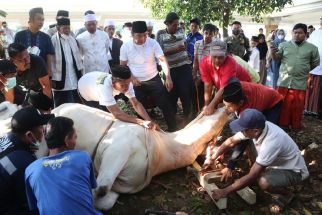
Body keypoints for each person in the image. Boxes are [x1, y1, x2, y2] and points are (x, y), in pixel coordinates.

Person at [209, 109, 309, 208]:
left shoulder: (272, 142)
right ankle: (262, 168)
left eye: (243, 130)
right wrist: (213, 157)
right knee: (247, 142)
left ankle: (287, 194)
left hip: (293, 171)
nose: (241, 132)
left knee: (263, 182)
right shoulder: (258, 127)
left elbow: (252, 175)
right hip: (276, 162)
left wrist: (225, 191)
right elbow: (231, 141)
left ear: (255, 131)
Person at [25, 116, 102, 215]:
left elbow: (35, 204)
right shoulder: (82, 157)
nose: (75, 141)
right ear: (66, 140)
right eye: (75, 137)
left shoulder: (31, 169)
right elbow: (90, 187)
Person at [120, 21, 176, 131]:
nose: (142, 38)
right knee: (140, 107)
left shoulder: (153, 43)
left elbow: (162, 60)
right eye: (139, 36)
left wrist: (168, 77)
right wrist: (132, 78)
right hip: (136, 82)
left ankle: (173, 129)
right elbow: (123, 67)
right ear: (132, 34)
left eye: (145, 35)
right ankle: (145, 132)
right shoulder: (125, 47)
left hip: (153, 79)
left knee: (165, 104)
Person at [0, 107, 54, 214]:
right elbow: (30, 199)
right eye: (41, 129)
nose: (44, 131)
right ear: (29, 135)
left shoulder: (6, 138)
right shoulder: (24, 162)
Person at [78, 65, 159, 129]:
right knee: (100, 121)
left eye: (128, 84)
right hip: (86, 90)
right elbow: (117, 114)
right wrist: (141, 122)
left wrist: (149, 121)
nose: (126, 88)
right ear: (113, 83)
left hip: (93, 79)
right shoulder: (104, 88)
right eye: (122, 85)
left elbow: (136, 104)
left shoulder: (127, 83)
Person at [271, 23, 320, 129]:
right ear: (292, 33)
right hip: (284, 81)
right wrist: (272, 53)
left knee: (297, 106)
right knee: (283, 105)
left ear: (305, 34)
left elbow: (315, 63)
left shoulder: (312, 48)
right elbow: (277, 58)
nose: (297, 35)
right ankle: (282, 124)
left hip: (300, 81)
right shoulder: (284, 45)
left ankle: (295, 125)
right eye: (295, 32)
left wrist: (303, 69)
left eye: (300, 33)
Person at [156, 12, 193, 122]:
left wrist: (184, 50)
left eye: (178, 24)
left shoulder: (181, 30)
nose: (177, 27)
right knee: (171, 94)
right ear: (167, 24)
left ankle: (187, 118)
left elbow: (184, 44)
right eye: (174, 25)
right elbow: (159, 53)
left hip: (184, 67)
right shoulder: (160, 34)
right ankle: (172, 120)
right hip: (170, 70)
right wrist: (175, 50)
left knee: (186, 93)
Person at [199, 40, 251, 116]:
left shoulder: (230, 63)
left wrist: (211, 105)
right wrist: (207, 105)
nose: (217, 60)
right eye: (214, 57)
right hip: (227, 87)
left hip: (243, 84)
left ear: (226, 55)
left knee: (241, 110)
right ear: (210, 54)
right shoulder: (204, 63)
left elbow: (223, 88)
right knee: (218, 107)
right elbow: (207, 85)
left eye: (220, 57)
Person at [51, 17, 84, 107]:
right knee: (60, 105)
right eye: (64, 28)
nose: (67, 30)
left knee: (75, 103)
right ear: (58, 28)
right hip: (60, 78)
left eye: (68, 28)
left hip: (73, 76)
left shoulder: (72, 39)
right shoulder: (53, 40)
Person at [14, 7, 55, 77]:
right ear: (30, 19)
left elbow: (49, 56)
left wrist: (49, 74)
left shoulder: (46, 37)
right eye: (39, 19)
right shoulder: (19, 35)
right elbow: (14, 55)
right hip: (24, 73)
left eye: (43, 20)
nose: (41, 22)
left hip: (41, 74)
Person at [192, 24, 217, 111]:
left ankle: (210, 115)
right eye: (206, 33)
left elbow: (215, 65)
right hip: (199, 75)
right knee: (198, 97)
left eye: (210, 34)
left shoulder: (216, 46)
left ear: (214, 34)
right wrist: (194, 74)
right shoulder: (197, 43)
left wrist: (202, 78)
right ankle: (198, 115)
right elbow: (195, 60)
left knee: (210, 98)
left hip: (211, 78)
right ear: (203, 32)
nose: (207, 36)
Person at [305, 18, 322, 118]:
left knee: (313, 88)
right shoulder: (315, 33)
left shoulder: (314, 34)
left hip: (313, 66)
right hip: (315, 66)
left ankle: (309, 109)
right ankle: (313, 110)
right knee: (315, 89)